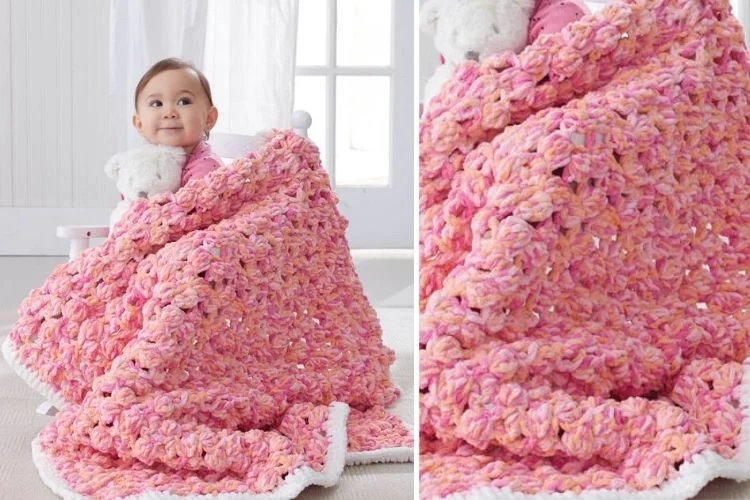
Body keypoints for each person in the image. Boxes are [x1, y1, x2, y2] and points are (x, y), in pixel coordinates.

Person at [132, 57, 223, 186]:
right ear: (139, 123)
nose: (169, 113)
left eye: (183, 101)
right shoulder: (141, 163)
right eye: (156, 103)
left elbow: (189, 205)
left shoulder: (207, 169)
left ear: (209, 119)